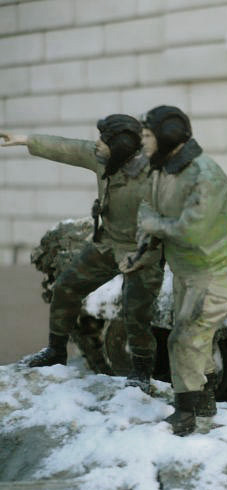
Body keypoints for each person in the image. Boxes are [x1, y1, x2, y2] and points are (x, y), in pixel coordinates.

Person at [0, 116, 164, 392]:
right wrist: (26, 139)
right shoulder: (103, 158)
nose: (97, 144)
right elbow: (69, 148)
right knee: (65, 287)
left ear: (120, 147)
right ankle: (55, 351)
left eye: (103, 140)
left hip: (142, 252)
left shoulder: (153, 177)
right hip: (106, 244)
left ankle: (141, 371)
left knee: (136, 313)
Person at [134, 105, 227, 436]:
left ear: (168, 136)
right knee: (194, 342)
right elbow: (148, 207)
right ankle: (203, 406)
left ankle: (186, 412)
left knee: (185, 340)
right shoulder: (162, 169)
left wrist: (155, 225)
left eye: (147, 135)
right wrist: (142, 245)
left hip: (209, 273)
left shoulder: (206, 176)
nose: (142, 142)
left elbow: (193, 231)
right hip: (185, 271)